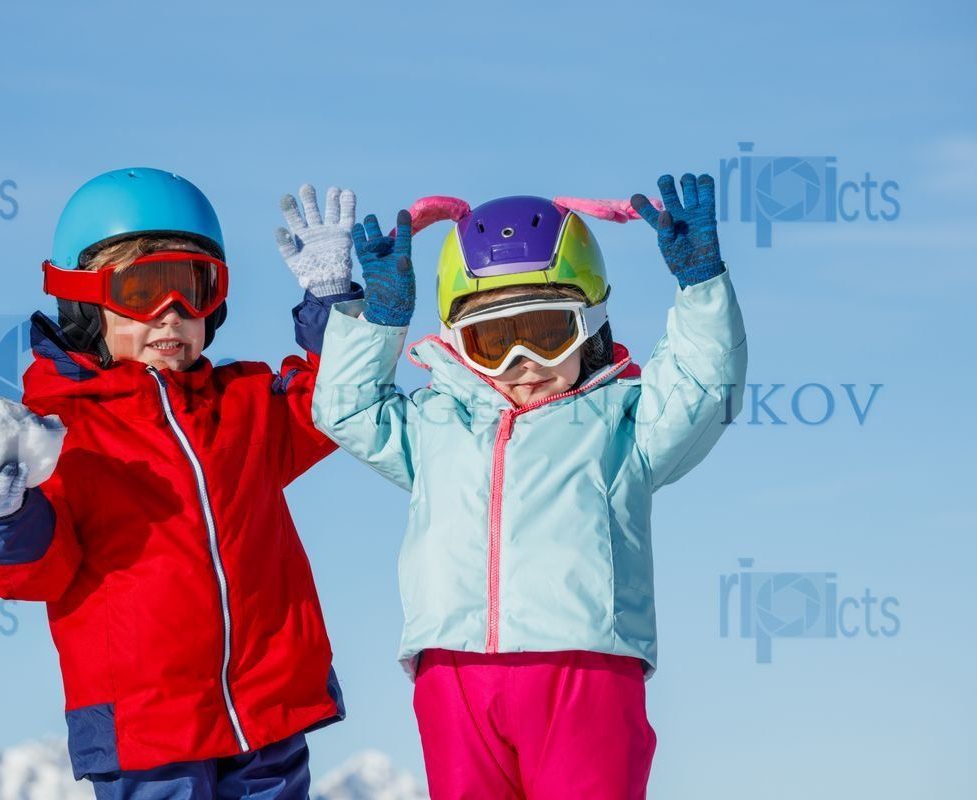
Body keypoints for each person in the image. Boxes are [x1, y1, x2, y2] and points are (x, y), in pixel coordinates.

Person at [311, 174, 747, 799]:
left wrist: (701, 286)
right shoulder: (436, 423)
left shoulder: (623, 421)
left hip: (583, 666)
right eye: (491, 341)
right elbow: (346, 411)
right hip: (453, 673)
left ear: (590, 325)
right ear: (459, 345)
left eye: (547, 334)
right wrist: (379, 322)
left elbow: (703, 386)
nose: (522, 363)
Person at [0, 170, 362, 799]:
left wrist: (333, 304)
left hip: (268, 715)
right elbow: (35, 574)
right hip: (146, 735)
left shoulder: (245, 405)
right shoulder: (56, 434)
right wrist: (4, 516)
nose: (172, 313)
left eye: (194, 287)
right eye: (142, 290)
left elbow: (336, 403)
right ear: (83, 302)